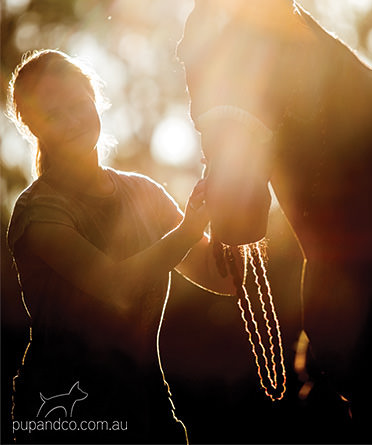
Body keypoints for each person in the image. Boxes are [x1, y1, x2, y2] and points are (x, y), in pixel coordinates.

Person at [6, 49, 237, 444]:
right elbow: (114, 287)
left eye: (78, 104)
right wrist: (187, 230)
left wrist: (236, 198)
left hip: (149, 412)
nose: (73, 120)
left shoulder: (144, 192)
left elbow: (223, 279)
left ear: (95, 101)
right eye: (53, 114)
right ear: (34, 128)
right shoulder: (38, 211)